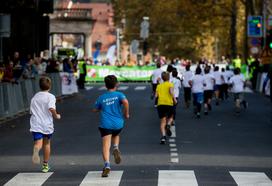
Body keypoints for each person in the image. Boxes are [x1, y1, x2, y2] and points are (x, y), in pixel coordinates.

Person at [92, 75, 129, 177]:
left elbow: (94, 109)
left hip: (105, 124)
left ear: (105, 85)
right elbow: (125, 102)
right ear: (116, 84)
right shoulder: (119, 95)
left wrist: (101, 107)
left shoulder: (101, 97)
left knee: (105, 146)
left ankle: (107, 165)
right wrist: (126, 113)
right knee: (116, 133)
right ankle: (116, 147)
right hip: (118, 123)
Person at [30, 77, 61, 173]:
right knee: (47, 143)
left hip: (36, 123)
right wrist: (56, 115)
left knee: (38, 143)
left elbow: (31, 111)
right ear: (50, 86)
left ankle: (36, 149)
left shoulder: (35, 97)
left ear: (39, 86)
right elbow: (51, 108)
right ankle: (45, 165)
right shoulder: (50, 96)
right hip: (46, 124)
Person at [155, 72, 177, 144]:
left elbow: (156, 96)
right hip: (169, 103)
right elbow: (171, 91)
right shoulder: (170, 84)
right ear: (169, 77)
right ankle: (168, 125)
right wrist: (174, 99)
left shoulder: (159, 86)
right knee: (171, 116)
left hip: (160, 104)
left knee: (162, 121)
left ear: (162, 78)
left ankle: (163, 137)